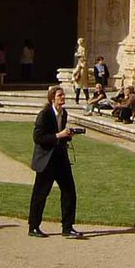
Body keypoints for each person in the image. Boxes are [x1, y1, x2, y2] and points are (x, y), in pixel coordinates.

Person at [28, 85, 84, 239]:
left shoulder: (63, 113)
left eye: (63, 95)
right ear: (52, 98)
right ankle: (33, 226)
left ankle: (68, 227)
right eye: (60, 95)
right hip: (46, 159)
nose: (63, 98)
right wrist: (59, 135)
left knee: (69, 191)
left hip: (60, 157)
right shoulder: (44, 114)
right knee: (40, 193)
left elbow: (59, 135)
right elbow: (38, 138)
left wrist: (68, 135)